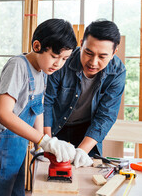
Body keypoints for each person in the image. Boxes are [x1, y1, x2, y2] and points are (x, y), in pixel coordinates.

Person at [0, 18, 78, 196]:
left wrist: (45, 143)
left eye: (64, 59)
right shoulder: (18, 66)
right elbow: (2, 114)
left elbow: (38, 109)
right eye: (55, 56)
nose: (58, 64)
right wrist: (42, 140)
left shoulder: (43, 71)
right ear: (37, 46)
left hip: (17, 147)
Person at [43, 19, 126, 168]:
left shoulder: (117, 72)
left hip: (87, 129)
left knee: (86, 173)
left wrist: (83, 149)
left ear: (114, 53)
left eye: (102, 57)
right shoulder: (63, 62)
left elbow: (106, 115)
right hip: (56, 125)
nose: (93, 62)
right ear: (81, 43)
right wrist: (47, 141)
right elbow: (47, 101)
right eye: (88, 53)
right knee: (52, 171)